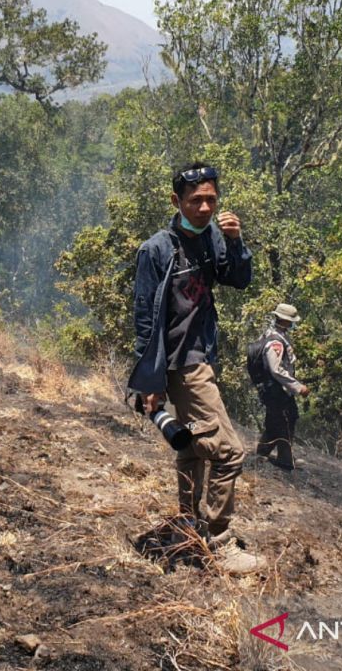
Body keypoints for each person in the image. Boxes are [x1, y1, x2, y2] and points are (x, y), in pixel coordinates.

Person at [129, 162, 260, 575]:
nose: (204, 207)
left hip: (202, 354)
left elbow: (238, 280)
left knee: (189, 447)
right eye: (195, 200)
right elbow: (145, 319)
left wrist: (237, 243)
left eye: (211, 200)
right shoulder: (157, 249)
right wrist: (151, 381)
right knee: (229, 452)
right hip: (181, 364)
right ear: (176, 201)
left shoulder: (214, 239)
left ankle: (188, 525)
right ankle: (219, 541)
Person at [247, 303, 309, 470]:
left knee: (278, 420)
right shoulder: (276, 341)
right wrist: (297, 387)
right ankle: (284, 459)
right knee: (285, 420)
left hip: (274, 390)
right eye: (291, 321)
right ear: (285, 320)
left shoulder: (270, 335)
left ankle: (265, 452)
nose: (292, 324)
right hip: (276, 390)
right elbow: (276, 369)